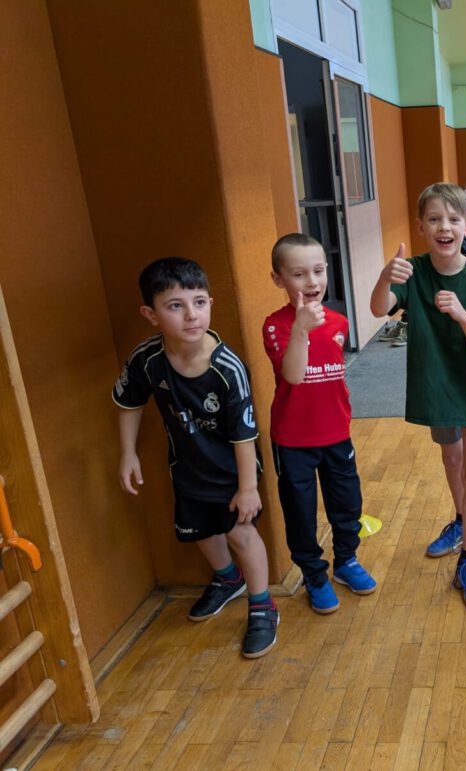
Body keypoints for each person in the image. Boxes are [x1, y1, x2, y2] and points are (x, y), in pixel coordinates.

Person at [114, 257, 278, 658]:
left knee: (241, 533)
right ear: (151, 314)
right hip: (187, 467)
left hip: (233, 470)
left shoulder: (227, 368)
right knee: (200, 531)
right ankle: (228, 578)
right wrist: (128, 453)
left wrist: (248, 488)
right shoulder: (146, 360)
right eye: (176, 305)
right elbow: (129, 403)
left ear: (210, 304)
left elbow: (244, 434)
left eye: (199, 302)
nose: (191, 315)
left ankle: (262, 605)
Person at [370, 183, 466, 607]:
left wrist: (461, 314)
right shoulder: (413, 271)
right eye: (434, 219)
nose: (444, 227)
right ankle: (461, 520)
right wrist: (385, 276)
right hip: (436, 386)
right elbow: (378, 309)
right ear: (421, 227)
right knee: (452, 460)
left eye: (452, 219)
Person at [262, 233, 376, 615]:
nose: (312, 282)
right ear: (279, 279)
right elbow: (293, 375)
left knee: (347, 502)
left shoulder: (340, 321)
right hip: (293, 440)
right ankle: (314, 574)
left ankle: (346, 560)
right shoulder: (276, 326)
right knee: (300, 511)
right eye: (299, 274)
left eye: (318, 271)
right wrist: (300, 329)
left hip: (336, 433)